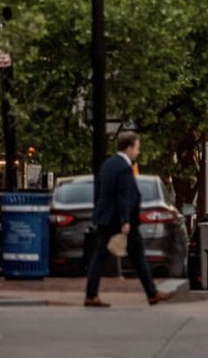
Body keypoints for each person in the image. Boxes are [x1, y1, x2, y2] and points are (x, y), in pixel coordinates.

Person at [84, 131, 171, 307]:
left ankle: (91, 294)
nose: (138, 152)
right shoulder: (124, 168)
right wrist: (125, 220)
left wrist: (100, 212)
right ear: (129, 148)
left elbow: (99, 190)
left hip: (106, 218)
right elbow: (123, 196)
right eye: (137, 148)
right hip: (120, 220)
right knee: (137, 257)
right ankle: (152, 293)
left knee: (101, 256)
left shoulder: (107, 164)